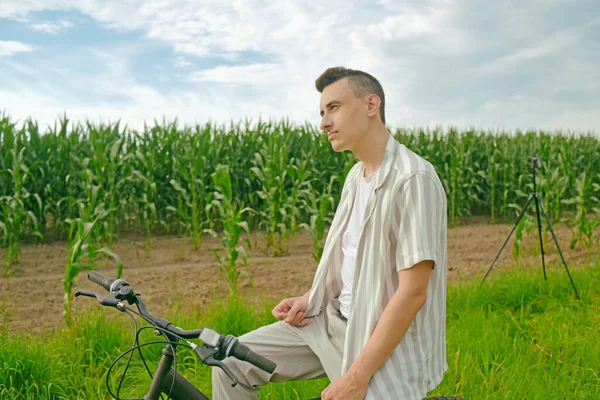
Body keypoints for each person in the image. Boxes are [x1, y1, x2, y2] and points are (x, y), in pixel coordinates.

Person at [212, 66, 448, 400]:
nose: (323, 122)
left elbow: (413, 293)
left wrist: (357, 378)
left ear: (371, 105)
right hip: (330, 322)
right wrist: (311, 300)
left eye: (333, 108)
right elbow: (349, 264)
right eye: (322, 112)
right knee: (229, 360)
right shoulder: (356, 177)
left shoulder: (412, 180)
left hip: (378, 340)